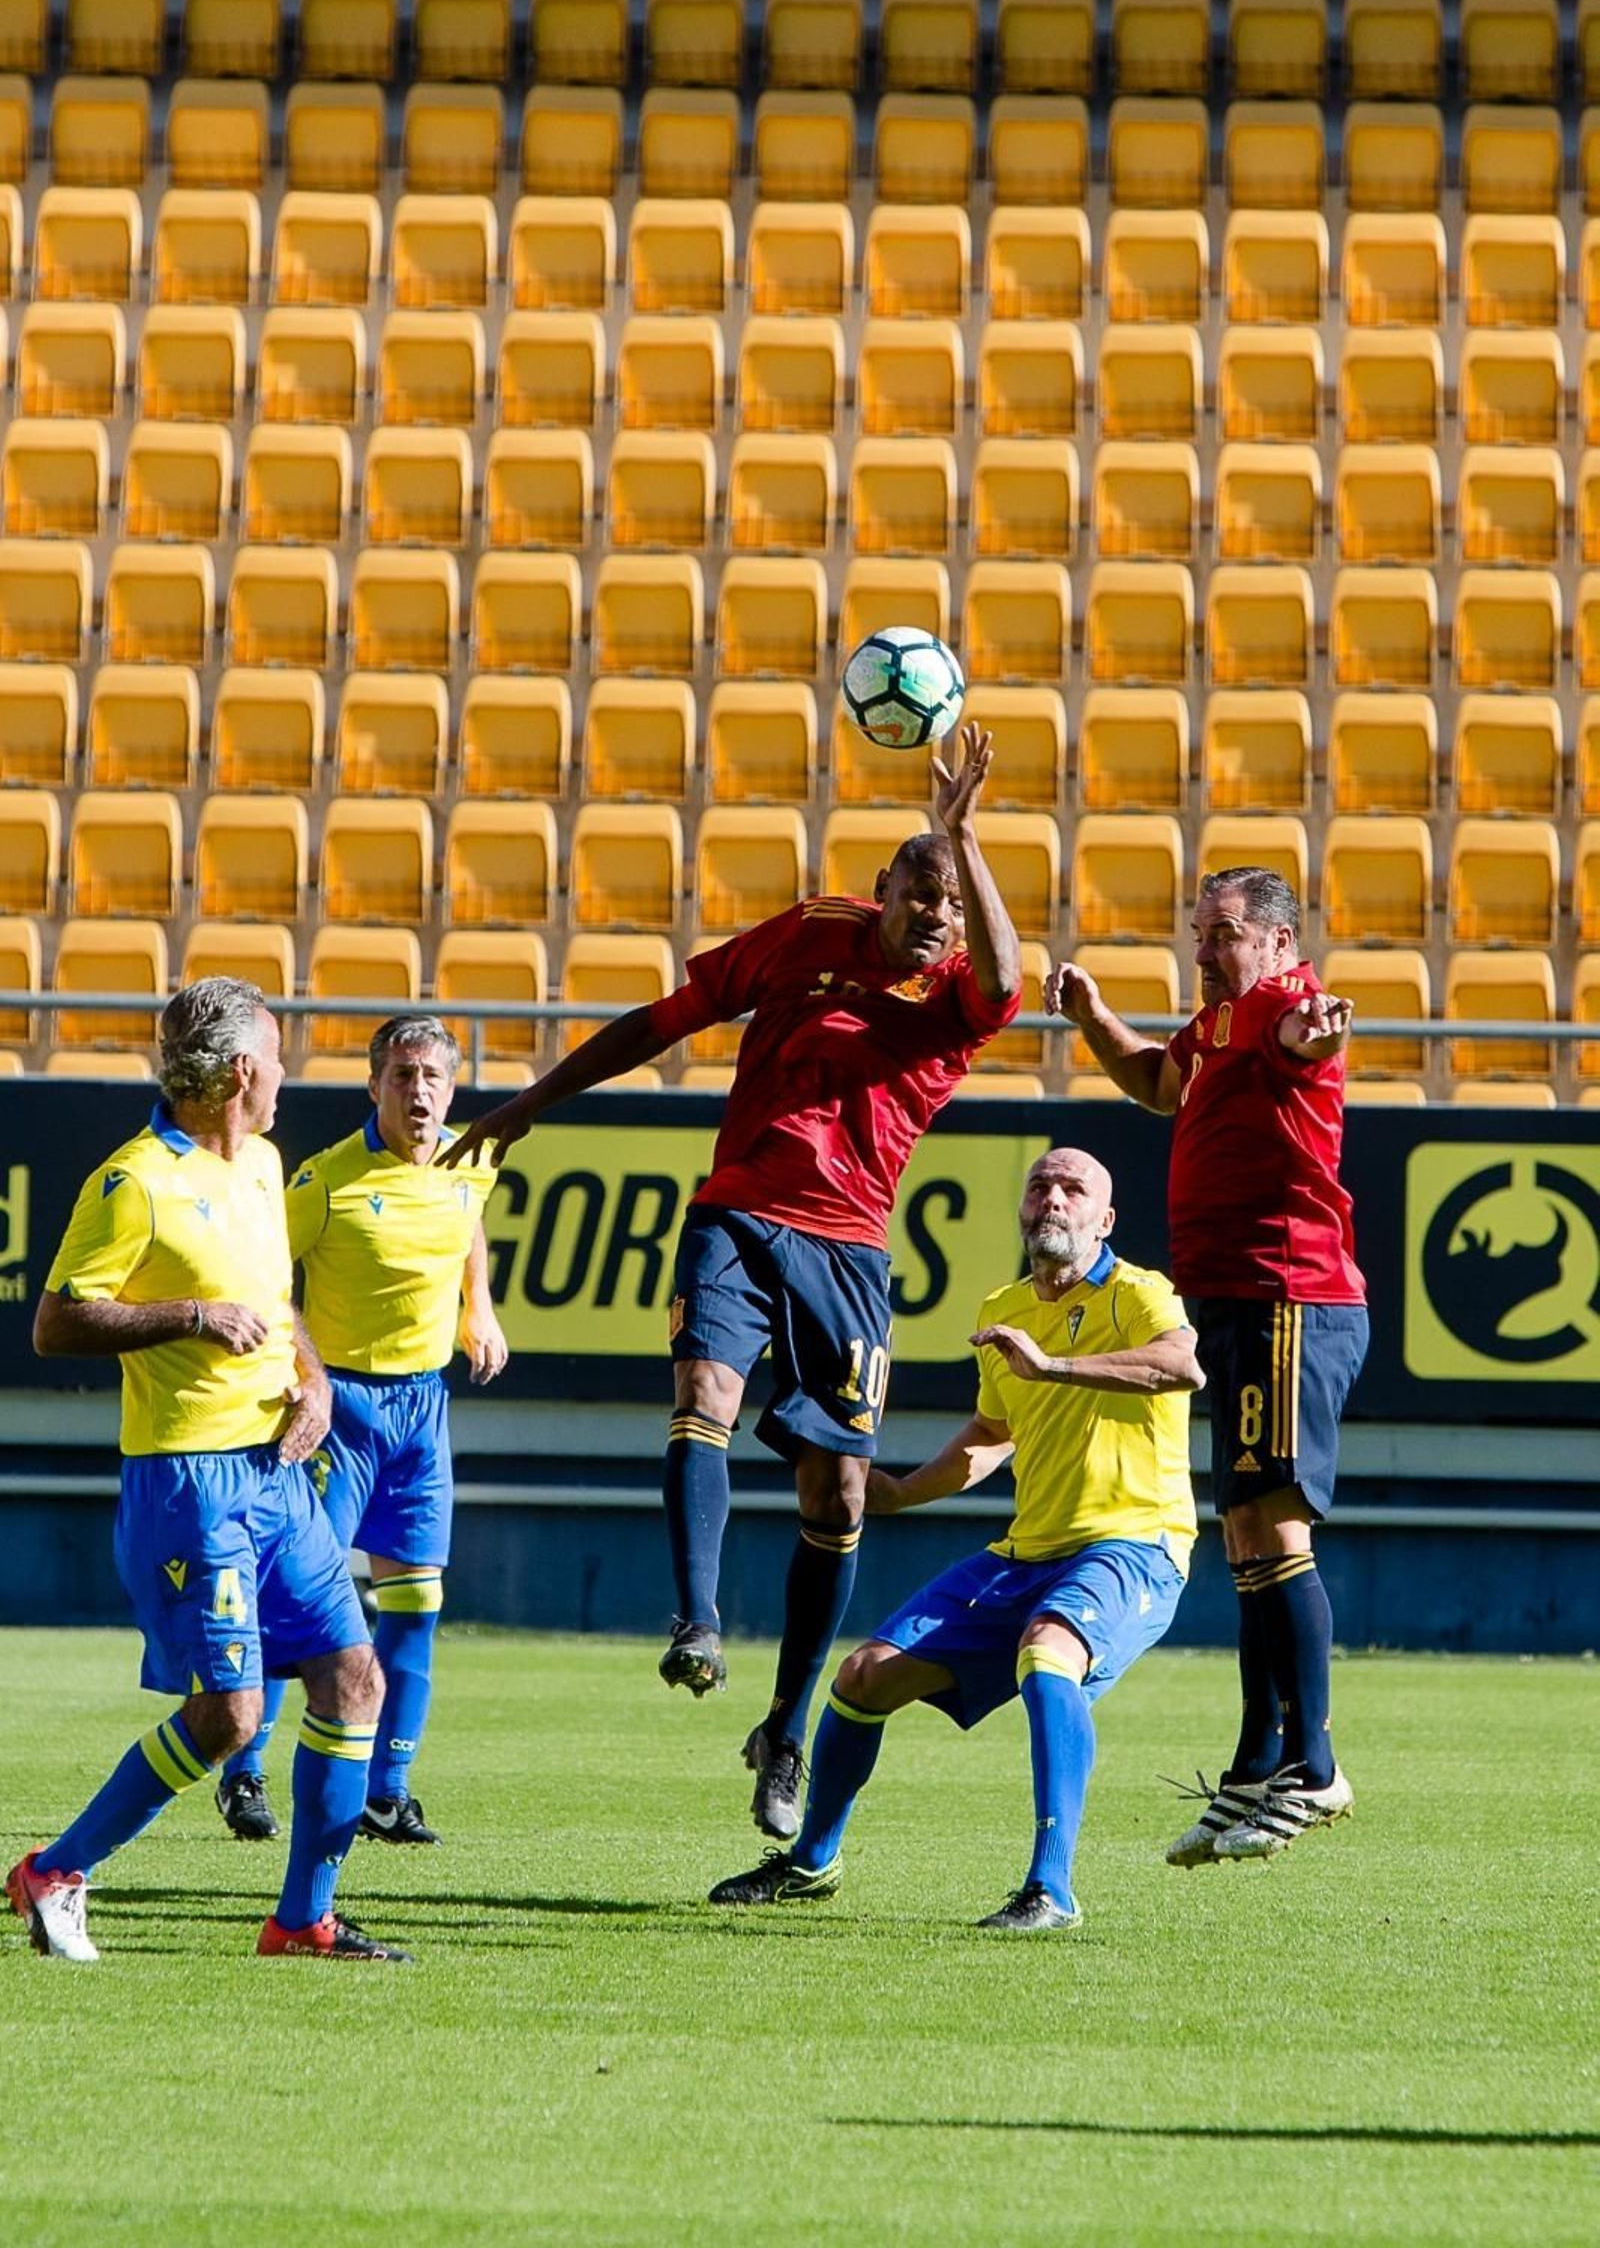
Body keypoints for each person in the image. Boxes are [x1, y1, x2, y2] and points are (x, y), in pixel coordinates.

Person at [444, 724, 1020, 1841]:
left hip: (849, 1253)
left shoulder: (960, 997)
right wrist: (531, 1100)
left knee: (838, 1496)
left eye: (950, 902)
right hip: (740, 1213)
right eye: (919, 890)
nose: (935, 914)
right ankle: (698, 1618)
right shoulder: (808, 933)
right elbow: (665, 1018)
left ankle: (786, 1726)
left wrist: (963, 834)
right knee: (704, 1395)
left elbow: (1005, 972)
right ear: (881, 889)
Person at [10, 978, 410, 1962]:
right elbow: (56, 1318)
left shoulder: (268, 1165)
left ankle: (301, 1918)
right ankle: (55, 1869)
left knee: (353, 1676)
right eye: (277, 1057)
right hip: (189, 1486)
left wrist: (311, 1379)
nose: (286, 1075)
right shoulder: (134, 1180)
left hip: (279, 1476)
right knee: (227, 1715)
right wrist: (188, 1315)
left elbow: (276, 1303)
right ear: (240, 1071)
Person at [707, 1147, 1200, 1928]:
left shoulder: (1139, 1292)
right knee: (864, 1677)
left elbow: (1182, 1366)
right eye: (1041, 1185)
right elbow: (991, 1431)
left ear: (1104, 1221)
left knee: (1048, 1650)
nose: (1054, 1199)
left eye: (1074, 1190)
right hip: (1028, 1552)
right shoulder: (1004, 1305)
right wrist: (899, 1492)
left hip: (1136, 1545)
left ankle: (1051, 1888)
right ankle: (812, 1862)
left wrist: (1056, 1367)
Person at [1046, 866, 1368, 1865]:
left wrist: (1319, 1030)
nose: (1202, 949)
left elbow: (1308, 1031)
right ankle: (1252, 1767)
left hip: (1288, 1294)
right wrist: (1097, 1018)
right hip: (1233, 1298)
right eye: (1196, 932)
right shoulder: (1215, 1022)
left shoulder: (1278, 1006)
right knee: (1241, 1534)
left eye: (1220, 932)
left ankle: (1312, 1769)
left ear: (1275, 940)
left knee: (1270, 1518)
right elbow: (1156, 1083)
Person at [215, 1015, 507, 1848]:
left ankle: (390, 1791)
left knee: (416, 1607)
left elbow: (466, 1224)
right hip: (342, 1411)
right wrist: (307, 1379)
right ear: (373, 1084)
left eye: (434, 1078)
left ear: (453, 1090)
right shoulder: (326, 1181)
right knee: (302, 1604)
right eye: (403, 1075)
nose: (419, 1092)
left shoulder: (472, 1158)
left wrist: (476, 1306)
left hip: (424, 1409)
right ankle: (243, 1771)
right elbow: (267, 1281)